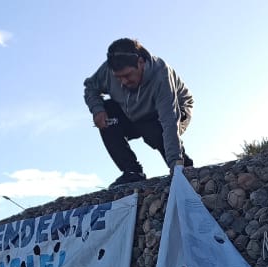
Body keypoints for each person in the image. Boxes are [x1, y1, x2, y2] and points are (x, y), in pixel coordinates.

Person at [83, 38, 194, 188]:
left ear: (140, 62)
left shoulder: (160, 75)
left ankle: (183, 166)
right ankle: (132, 172)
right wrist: (98, 110)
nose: (123, 82)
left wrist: (176, 165)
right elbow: (90, 87)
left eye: (128, 75)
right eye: (119, 77)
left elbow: (169, 121)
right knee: (108, 112)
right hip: (133, 113)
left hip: (174, 110)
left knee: (152, 130)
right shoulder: (108, 71)